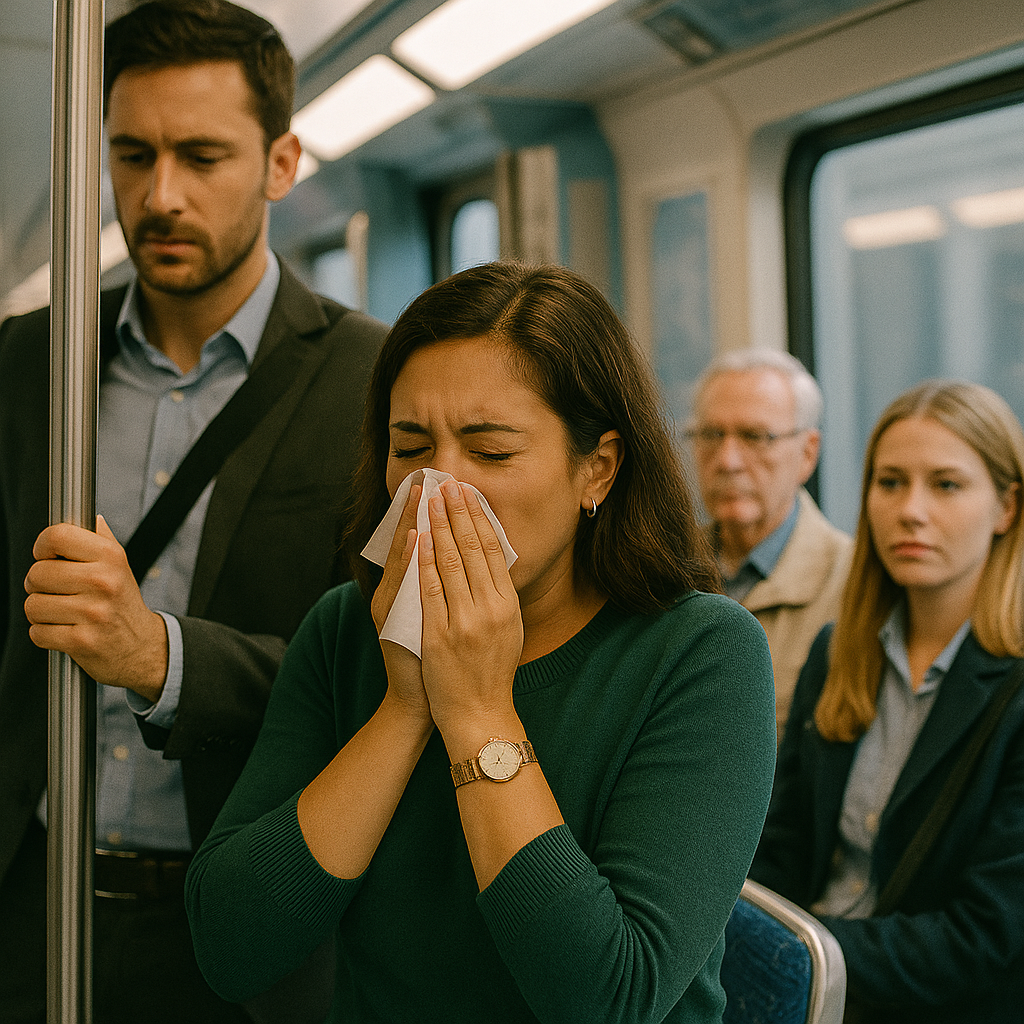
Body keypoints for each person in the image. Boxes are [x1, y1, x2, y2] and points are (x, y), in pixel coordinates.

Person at [185, 262, 777, 1023]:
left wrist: (476, 711)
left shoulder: (701, 653)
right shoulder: (344, 627)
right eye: (411, 448)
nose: (439, 489)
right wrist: (405, 706)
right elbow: (233, 950)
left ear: (595, 469)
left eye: (490, 453)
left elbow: (610, 1000)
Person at [0, 2, 386, 1021]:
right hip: (32, 897)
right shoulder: (28, 364)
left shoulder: (372, 383)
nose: (160, 195)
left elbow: (375, 671)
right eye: (132, 155)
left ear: (280, 161)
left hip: (247, 916)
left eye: (202, 156)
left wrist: (158, 657)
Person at [751, 380, 1024, 1022]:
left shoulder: (1015, 686)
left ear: (1007, 508)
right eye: (890, 482)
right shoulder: (837, 654)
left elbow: (984, 936)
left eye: (946, 485)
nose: (911, 511)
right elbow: (782, 851)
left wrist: (801, 954)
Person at [687, 349, 852, 738]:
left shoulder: (851, 581)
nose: (728, 460)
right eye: (711, 435)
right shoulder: (658, 566)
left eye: (755, 437)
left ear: (808, 453)